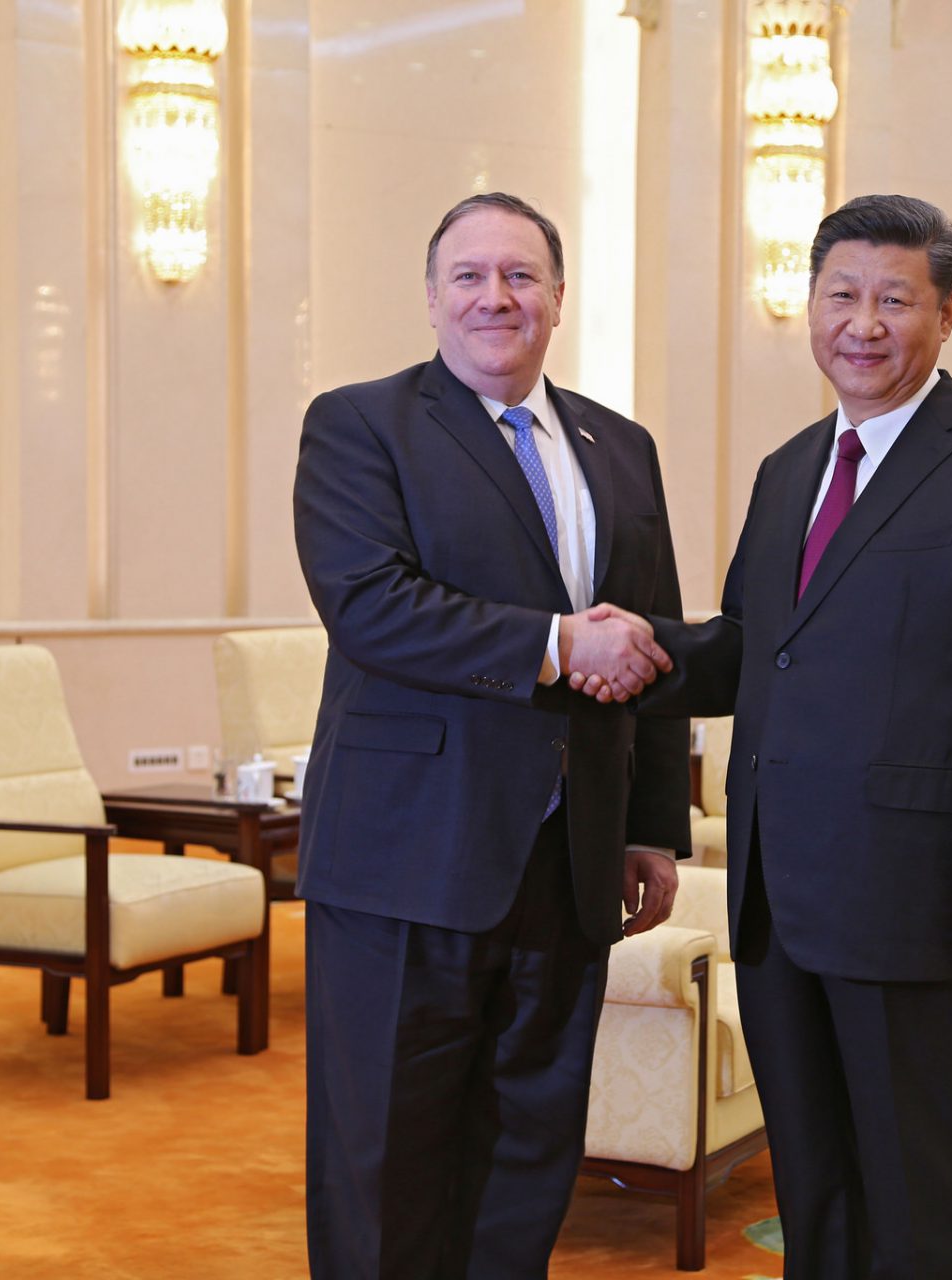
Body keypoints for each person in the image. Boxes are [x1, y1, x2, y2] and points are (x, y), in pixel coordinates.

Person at [576, 193, 952, 1277]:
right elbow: (756, 648)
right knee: (816, 1184)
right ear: (809, 306)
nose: (864, 323)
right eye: (841, 295)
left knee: (930, 1188)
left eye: (895, 299)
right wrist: (643, 643)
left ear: (946, 314)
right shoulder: (789, 470)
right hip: (781, 901)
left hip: (922, 901)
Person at [292, 191, 691, 1279]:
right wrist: (559, 645)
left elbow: (645, 644)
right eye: (468, 275)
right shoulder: (359, 423)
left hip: (568, 862)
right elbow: (370, 604)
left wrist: (651, 823)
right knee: (385, 1153)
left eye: (520, 275)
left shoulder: (621, 446)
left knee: (529, 1143)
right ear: (430, 298)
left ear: (559, 297)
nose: (494, 296)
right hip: (404, 857)